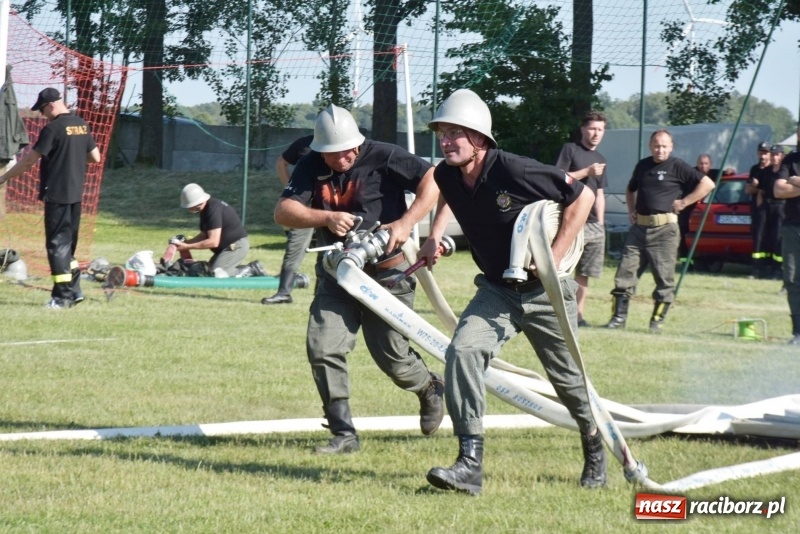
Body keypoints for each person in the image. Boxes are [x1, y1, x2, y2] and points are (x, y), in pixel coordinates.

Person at [419, 89, 604, 495]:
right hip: (497, 290)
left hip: (545, 293)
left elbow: (583, 196)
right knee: (463, 351)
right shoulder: (447, 173)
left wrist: (555, 258)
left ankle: (594, 445)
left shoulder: (514, 169)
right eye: (442, 134)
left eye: (455, 133)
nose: (446, 141)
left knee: (569, 381)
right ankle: (469, 465)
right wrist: (434, 235)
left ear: (479, 138)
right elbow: (447, 195)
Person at [273, 104, 444, 454]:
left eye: (350, 149)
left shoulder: (384, 155)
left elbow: (433, 180)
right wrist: (326, 218)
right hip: (338, 276)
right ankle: (344, 434)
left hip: (388, 276)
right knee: (323, 347)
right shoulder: (311, 164)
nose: (345, 157)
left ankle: (429, 387)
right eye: (335, 153)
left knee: (393, 359)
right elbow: (283, 211)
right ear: (321, 151)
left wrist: (406, 222)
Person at [0, 87, 100, 309]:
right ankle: (74, 291)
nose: (42, 114)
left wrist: (4, 177)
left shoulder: (53, 129)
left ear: (52, 105)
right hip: (76, 195)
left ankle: (61, 298)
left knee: (57, 246)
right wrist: (72, 158)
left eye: (42, 109)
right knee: (68, 246)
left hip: (57, 194)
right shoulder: (81, 125)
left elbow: (29, 161)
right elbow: (95, 157)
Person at [605, 130, 715, 332]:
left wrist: (684, 202)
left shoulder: (678, 166)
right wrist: (631, 210)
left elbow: (708, 184)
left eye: (664, 146)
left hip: (665, 231)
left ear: (671, 147)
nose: (660, 150)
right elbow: (631, 189)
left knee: (664, 279)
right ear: (650, 146)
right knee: (624, 274)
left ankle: (656, 322)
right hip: (639, 229)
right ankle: (618, 319)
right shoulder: (643, 165)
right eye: (656, 146)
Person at [555, 110, 608, 327]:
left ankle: (577, 316)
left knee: (584, 273)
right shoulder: (570, 149)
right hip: (570, 220)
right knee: (560, 268)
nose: (596, 133)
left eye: (600, 130)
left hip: (594, 225)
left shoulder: (601, 159)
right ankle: (554, 312)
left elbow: (600, 193)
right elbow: (558, 177)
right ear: (583, 129)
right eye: (592, 128)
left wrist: (601, 223)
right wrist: (586, 171)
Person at [262, 134, 315, 304]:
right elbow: (281, 162)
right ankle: (284, 292)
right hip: (305, 207)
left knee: (334, 249)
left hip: (333, 206)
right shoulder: (304, 143)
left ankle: (327, 296)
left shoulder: (342, 145)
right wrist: (291, 189)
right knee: (295, 246)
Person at [173, 183, 266, 277]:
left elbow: (213, 242)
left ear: (196, 204)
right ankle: (239, 269)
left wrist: (187, 246)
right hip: (226, 248)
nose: (188, 209)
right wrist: (185, 243)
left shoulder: (213, 210)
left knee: (218, 274)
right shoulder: (206, 209)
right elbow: (203, 235)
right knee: (208, 272)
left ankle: (251, 269)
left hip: (236, 245)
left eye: (189, 206)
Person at [773, 134, 800, 344]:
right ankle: (798, 332)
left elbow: (786, 187)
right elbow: (778, 190)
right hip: (792, 226)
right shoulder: (790, 159)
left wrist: (795, 180)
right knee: (791, 279)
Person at [746, 142, 775, 279]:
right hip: (758, 210)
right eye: (760, 153)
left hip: (773, 209)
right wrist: (758, 188)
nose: (762, 156)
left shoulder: (774, 169)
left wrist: (758, 187)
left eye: (765, 153)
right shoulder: (754, 169)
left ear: (770, 154)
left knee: (774, 238)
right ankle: (757, 269)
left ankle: (774, 269)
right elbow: (748, 189)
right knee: (758, 239)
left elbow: (774, 189)